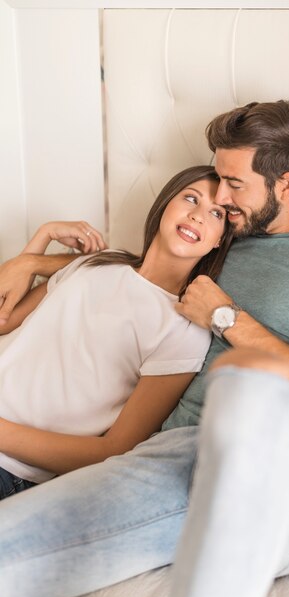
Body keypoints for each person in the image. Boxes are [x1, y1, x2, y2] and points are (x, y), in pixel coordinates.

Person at [0, 101, 289, 597]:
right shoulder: (218, 243)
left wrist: (227, 319)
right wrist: (33, 259)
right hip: (175, 457)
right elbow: (131, 275)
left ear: (285, 185)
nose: (221, 198)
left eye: (233, 185)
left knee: (250, 384)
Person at [0, 165, 232, 499]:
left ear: (219, 240)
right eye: (190, 199)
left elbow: (115, 449)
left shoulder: (184, 328)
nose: (198, 216)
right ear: (166, 204)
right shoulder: (101, 262)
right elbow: (5, 320)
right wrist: (42, 238)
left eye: (216, 214)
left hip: (12, 467)